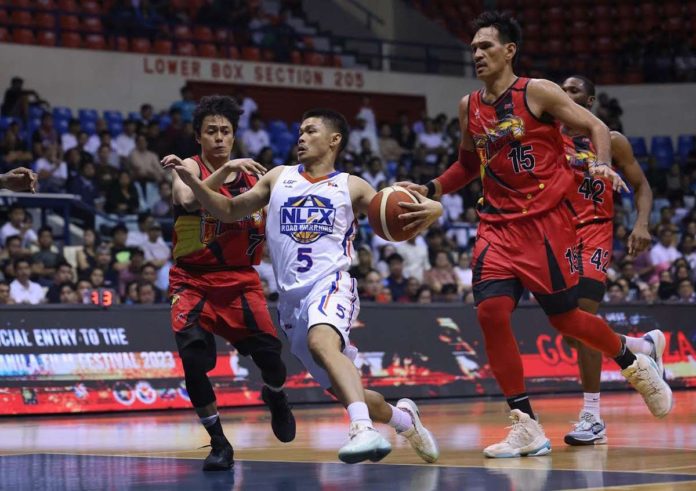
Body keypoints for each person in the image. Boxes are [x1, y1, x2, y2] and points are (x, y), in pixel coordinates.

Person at [397, 11, 672, 458]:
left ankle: (632, 361)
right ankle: (525, 424)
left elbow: (597, 127)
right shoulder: (470, 106)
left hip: (545, 225)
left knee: (566, 320)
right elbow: (468, 166)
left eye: (487, 46)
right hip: (495, 227)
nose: (478, 54)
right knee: (490, 313)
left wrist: (601, 161)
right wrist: (429, 188)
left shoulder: (538, 92)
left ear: (509, 51)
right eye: (473, 48)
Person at [165, 107, 441, 465]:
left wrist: (435, 208)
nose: (301, 137)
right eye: (299, 131)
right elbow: (228, 211)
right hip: (291, 302)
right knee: (348, 390)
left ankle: (361, 429)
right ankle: (405, 420)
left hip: (331, 285)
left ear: (334, 140)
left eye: (310, 131)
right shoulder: (278, 177)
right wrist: (195, 182)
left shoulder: (352, 185)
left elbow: (399, 215)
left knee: (321, 341)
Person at [159, 95, 295, 472]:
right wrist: (224, 170)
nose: (219, 138)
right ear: (198, 136)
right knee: (193, 361)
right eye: (211, 132)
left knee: (273, 362)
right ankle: (219, 442)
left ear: (234, 135)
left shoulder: (256, 176)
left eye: (226, 131)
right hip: (193, 281)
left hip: (241, 282)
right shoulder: (188, 167)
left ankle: (277, 396)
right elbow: (187, 200)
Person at [559, 75, 657, 446]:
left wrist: (641, 222)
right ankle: (643, 346)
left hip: (595, 234)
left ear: (591, 100)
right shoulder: (549, 137)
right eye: (562, 90)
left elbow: (643, 185)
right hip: (557, 237)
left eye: (574, 91)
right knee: (572, 332)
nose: (566, 96)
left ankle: (592, 415)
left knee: (582, 321)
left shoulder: (611, 141)